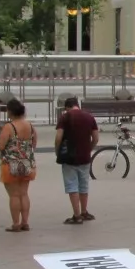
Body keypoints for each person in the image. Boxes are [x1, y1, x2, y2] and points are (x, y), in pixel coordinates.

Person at [55, 96, 99, 225]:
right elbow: (96, 138)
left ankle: (77, 215)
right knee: (83, 185)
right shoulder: (89, 117)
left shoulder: (65, 117)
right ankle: (84, 212)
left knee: (72, 186)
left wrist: (57, 151)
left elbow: (58, 138)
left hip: (69, 157)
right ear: (77, 105)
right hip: (85, 157)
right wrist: (88, 149)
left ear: (67, 107)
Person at [0, 98, 36, 232]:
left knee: (14, 195)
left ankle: (16, 223)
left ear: (10, 112)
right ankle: (25, 222)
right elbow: (33, 144)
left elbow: (1, 146)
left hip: (10, 163)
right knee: (24, 193)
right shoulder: (30, 126)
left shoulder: (9, 127)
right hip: (27, 163)